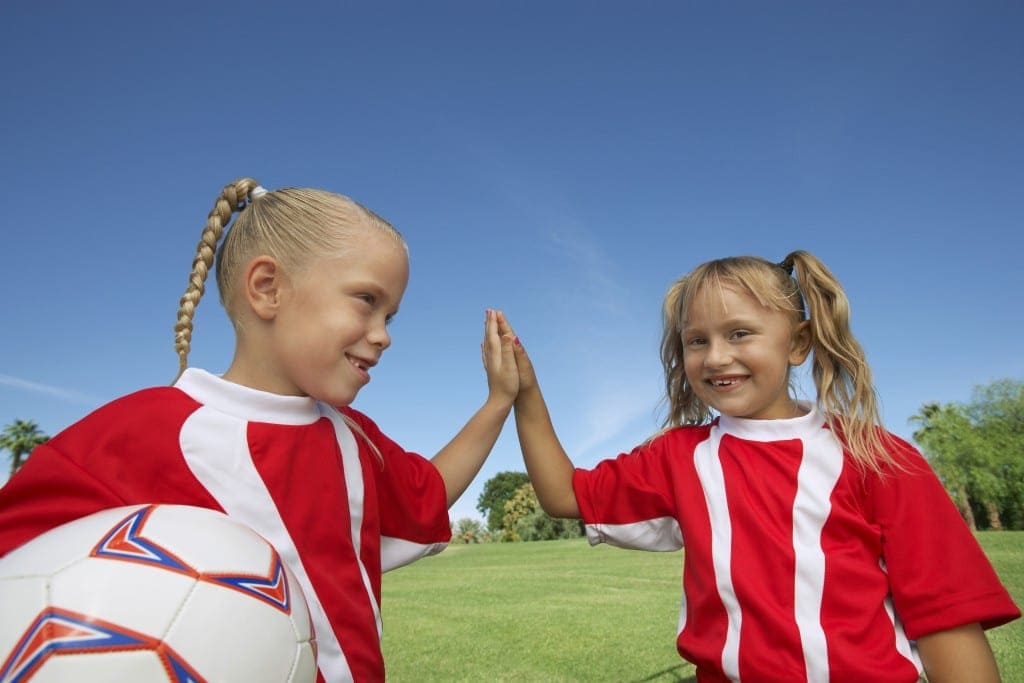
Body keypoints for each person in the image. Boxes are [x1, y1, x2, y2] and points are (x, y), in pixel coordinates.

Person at [0, 178, 519, 682]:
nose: (383, 336)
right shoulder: (131, 436)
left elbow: (425, 494)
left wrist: (499, 401)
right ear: (267, 289)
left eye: (392, 315)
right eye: (367, 300)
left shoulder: (355, 441)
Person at [505, 251, 1020, 682]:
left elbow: (946, 617)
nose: (715, 358)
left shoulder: (877, 457)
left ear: (797, 343)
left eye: (739, 334)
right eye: (697, 341)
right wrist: (524, 393)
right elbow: (565, 495)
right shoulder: (678, 457)